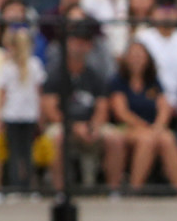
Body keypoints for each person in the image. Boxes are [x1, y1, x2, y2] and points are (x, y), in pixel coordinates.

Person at [41, 21, 125, 193]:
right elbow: (50, 111)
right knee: (57, 137)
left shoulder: (95, 75)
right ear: (68, 43)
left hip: (90, 125)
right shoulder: (55, 74)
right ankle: (60, 191)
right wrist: (73, 127)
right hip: (63, 125)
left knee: (115, 137)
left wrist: (93, 127)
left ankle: (113, 191)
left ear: (90, 45)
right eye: (76, 41)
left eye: (85, 42)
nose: (80, 46)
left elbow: (102, 107)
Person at [108, 39, 177, 193]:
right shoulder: (118, 81)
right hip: (128, 127)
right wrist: (143, 126)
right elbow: (121, 112)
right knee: (147, 140)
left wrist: (158, 126)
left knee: (167, 139)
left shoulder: (153, 82)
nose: (136, 59)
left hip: (152, 127)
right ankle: (135, 190)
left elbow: (164, 107)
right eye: (133, 55)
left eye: (140, 55)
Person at [0, 25, 43, 192]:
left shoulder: (16, 67)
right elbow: (38, 93)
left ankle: (18, 187)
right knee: (25, 152)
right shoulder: (33, 65)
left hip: (15, 115)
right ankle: (26, 187)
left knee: (16, 152)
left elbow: (3, 95)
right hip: (25, 115)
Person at [135, 0, 177, 113]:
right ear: (152, 14)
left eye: (171, 9)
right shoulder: (142, 38)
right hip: (149, 101)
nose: (167, 14)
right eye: (162, 10)